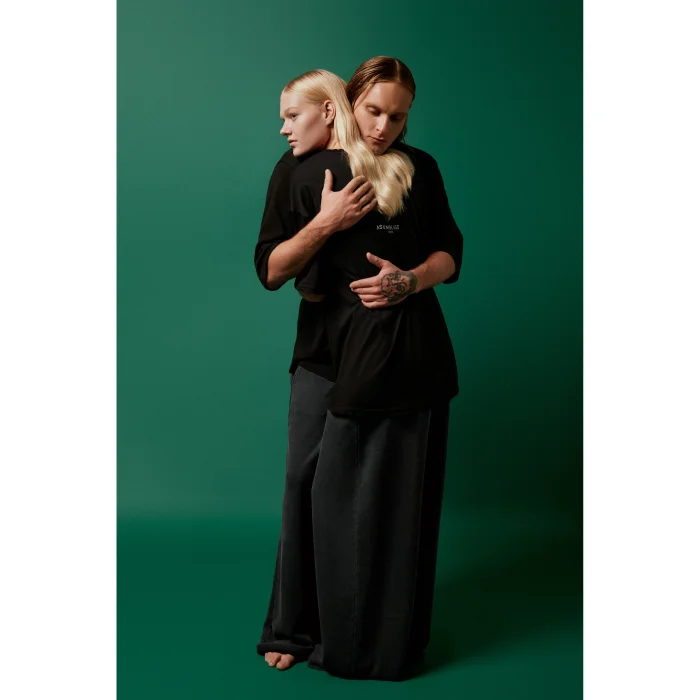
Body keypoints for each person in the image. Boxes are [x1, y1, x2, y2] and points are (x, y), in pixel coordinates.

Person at [253, 58, 463, 681]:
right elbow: (270, 270)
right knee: (303, 486)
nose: (383, 127)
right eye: (373, 111)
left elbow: (450, 252)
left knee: (381, 500)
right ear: (348, 103)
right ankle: (292, 628)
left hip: (394, 351)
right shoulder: (299, 171)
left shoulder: (420, 168)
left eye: (398, 116)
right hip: (323, 351)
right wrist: (327, 221)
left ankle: (376, 628)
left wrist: (410, 281)